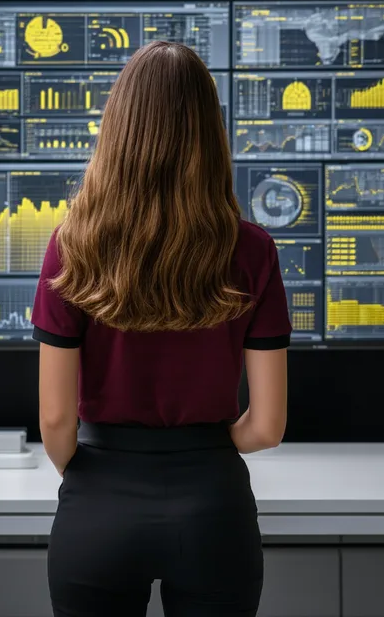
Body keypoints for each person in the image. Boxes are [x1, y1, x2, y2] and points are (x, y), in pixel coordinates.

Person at [31, 40, 291, 617]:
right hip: (213, 506)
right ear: (208, 132)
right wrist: (204, 453)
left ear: (118, 129)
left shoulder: (72, 244)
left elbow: (54, 418)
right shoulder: (252, 249)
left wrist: (97, 480)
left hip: (98, 501)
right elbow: (268, 426)